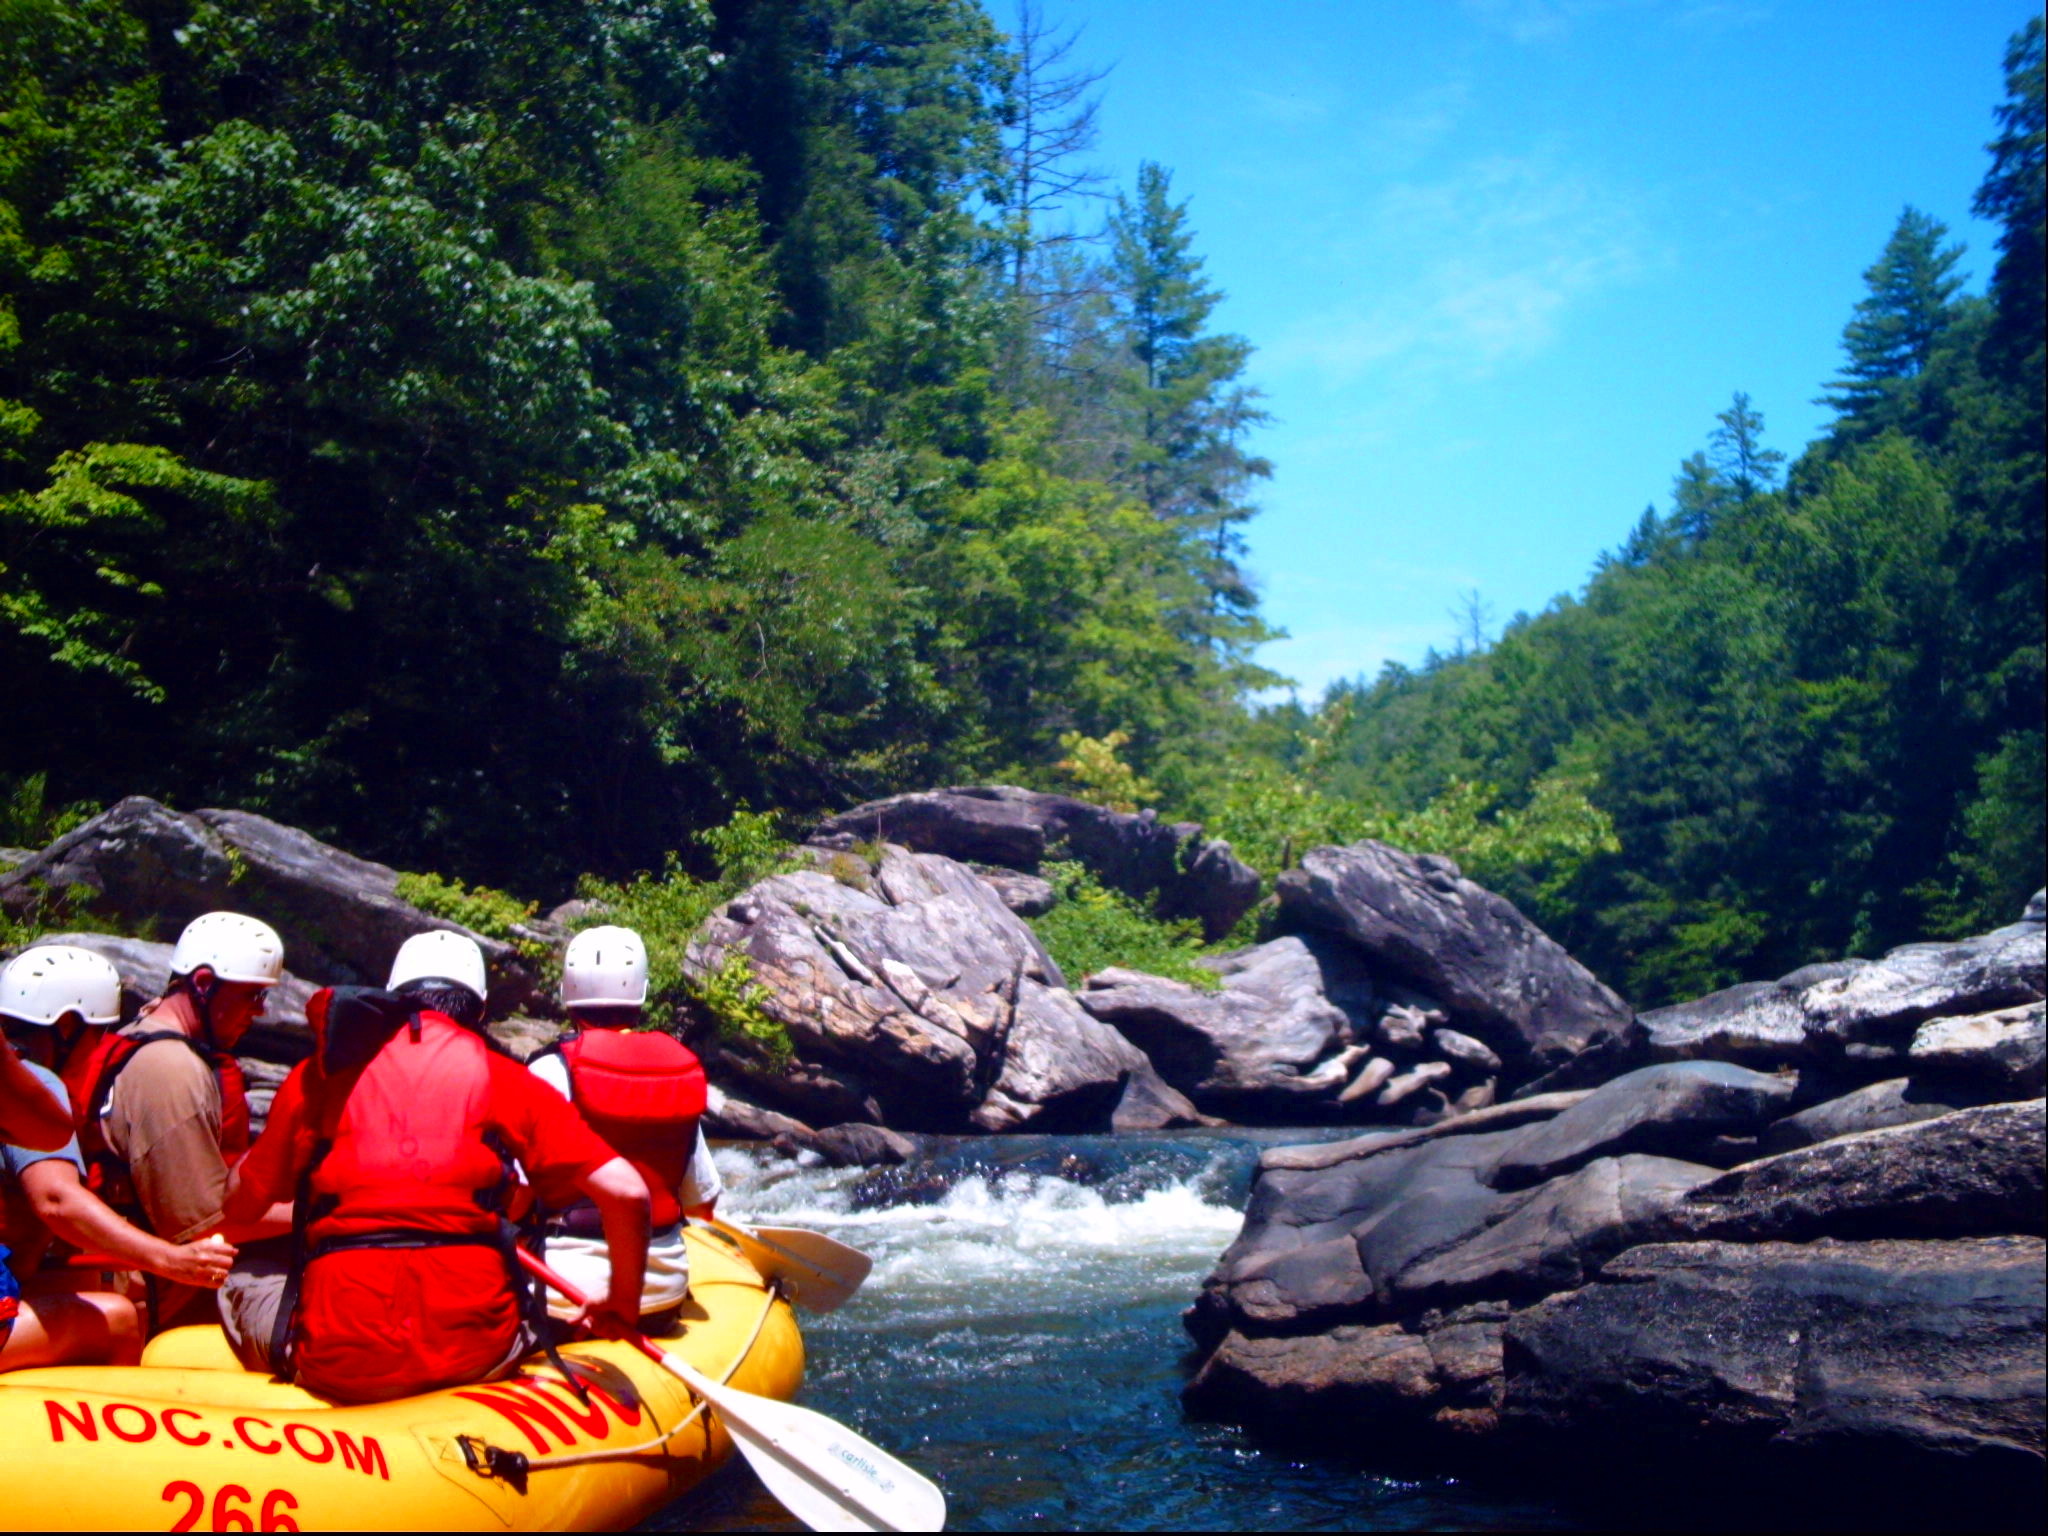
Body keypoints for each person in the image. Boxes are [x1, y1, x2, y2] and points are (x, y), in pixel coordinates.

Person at [222, 930, 650, 1403]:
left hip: (340, 1359)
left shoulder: (317, 1078)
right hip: (474, 1354)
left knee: (241, 1273)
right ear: (480, 1012)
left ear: (392, 1000)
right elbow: (627, 1192)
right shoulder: (505, 1078)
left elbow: (240, 1209)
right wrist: (622, 1308)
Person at [0, 945, 237, 1370]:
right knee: (120, 1317)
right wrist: (170, 1260)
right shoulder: (33, 1083)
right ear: (68, 1026)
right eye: (99, 1033)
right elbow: (57, 1201)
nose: (100, 1048)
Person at [79, 912, 292, 1327]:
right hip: (151, 1292)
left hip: (139, 1273)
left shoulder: (140, 1034)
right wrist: (323, 1208)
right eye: (252, 996)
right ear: (204, 983)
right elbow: (202, 1225)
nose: (260, 1011)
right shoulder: (171, 1068)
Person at [527, 925, 720, 1326]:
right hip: (661, 1293)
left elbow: (516, 1194)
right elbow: (702, 1204)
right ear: (640, 997)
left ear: (568, 997)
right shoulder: (675, 1071)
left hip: (564, 1295)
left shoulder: (547, 1071)